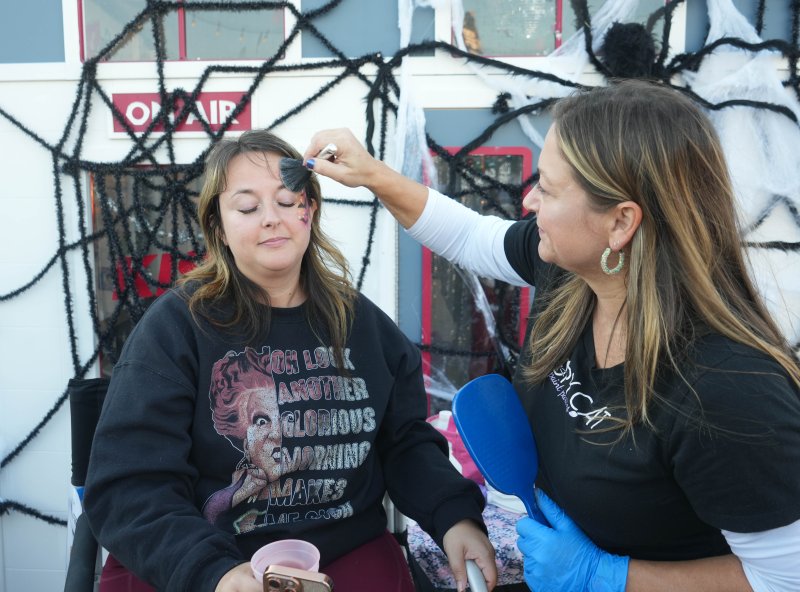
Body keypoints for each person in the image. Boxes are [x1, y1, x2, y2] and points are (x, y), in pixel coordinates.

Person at [302, 79, 800, 592]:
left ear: (621, 222)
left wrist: (606, 576)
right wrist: (373, 175)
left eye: (549, 187)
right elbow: (470, 236)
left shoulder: (729, 391)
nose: (529, 199)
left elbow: (784, 579)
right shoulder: (569, 271)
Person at [83, 130, 497, 592]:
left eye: (286, 200)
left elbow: (405, 445)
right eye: (247, 207)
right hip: (204, 559)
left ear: (310, 211)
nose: (271, 219)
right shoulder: (175, 329)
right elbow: (130, 486)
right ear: (218, 226)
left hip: (343, 549)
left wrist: (454, 516)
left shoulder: (364, 326)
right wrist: (216, 573)